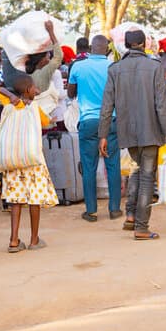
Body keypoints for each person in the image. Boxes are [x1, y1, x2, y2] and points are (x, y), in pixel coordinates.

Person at [99, 30, 166, 240]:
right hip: (151, 130)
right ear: (144, 44)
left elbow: (107, 105)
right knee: (146, 177)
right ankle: (142, 227)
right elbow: (162, 106)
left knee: (138, 169)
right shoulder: (155, 67)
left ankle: (132, 216)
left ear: (126, 45)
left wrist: (103, 135)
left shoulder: (115, 69)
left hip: (127, 131)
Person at [0, 75, 60, 251]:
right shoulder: (34, 108)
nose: (36, 90)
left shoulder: (9, 105)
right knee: (34, 199)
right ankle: (34, 240)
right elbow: (46, 122)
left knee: (15, 201)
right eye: (34, 88)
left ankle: (14, 240)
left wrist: (11, 96)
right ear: (27, 90)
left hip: (13, 160)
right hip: (32, 160)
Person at [68, 35, 122, 222]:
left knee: (89, 166)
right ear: (107, 49)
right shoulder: (113, 67)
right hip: (111, 120)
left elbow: (71, 93)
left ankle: (91, 211)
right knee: (113, 164)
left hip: (88, 121)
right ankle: (114, 209)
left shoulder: (78, 66)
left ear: (90, 47)